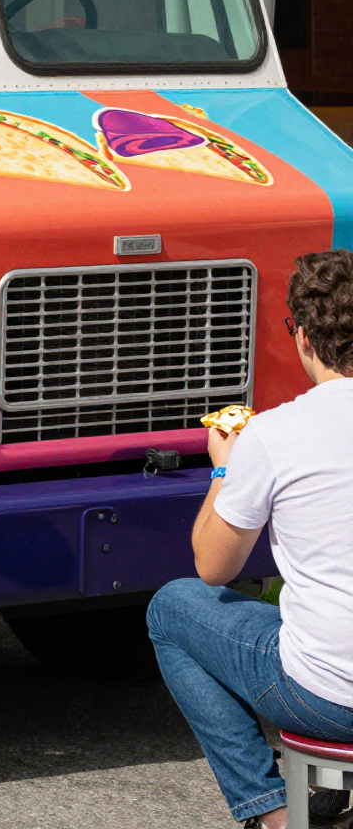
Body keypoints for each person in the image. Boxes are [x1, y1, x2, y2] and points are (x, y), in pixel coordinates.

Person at [148, 249, 353, 829]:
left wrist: (225, 470)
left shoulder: (274, 433)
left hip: (332, 698)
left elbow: (213, 567)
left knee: (172, 607)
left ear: (306, 337)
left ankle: (272, 812)